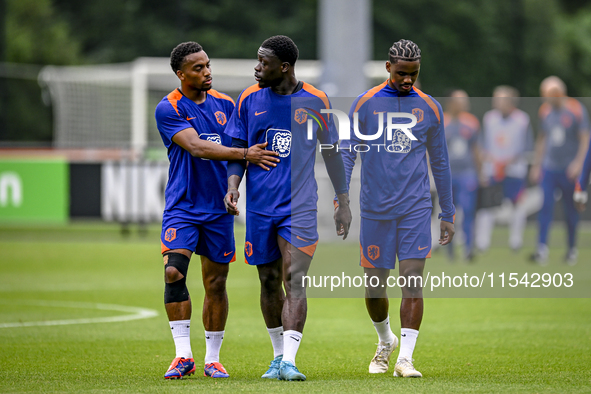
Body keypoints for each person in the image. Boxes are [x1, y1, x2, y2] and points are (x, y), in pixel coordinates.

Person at [223, 35, 352, 381]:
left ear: (284, 67)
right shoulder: (249, 99)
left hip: (299, 207)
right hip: (261, 209)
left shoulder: (315, 100)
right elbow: (238, 148)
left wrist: (343, 200)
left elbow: (332, 153)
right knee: (268, 281)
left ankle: (291, 361)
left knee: (294, 277)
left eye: (263, 63)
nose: (256, 67)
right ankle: (278, 357)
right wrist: (233, 187)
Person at [154, 41, 280, 380]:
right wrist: (245, 156)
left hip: (219, 209)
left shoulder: (227, 104)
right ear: (181, 74)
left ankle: (212, 358)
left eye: (207, 65)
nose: (207, 71)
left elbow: (238, 147)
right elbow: (196, 146)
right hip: (183, 205)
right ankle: (183, 356)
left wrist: (232, 188)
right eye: (198, 68)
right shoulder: (168, 108)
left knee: (216, 282)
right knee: (173, 272)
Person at [341, 39, 455, 378]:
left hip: (415, 209)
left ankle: (405, 358)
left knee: (412, 280)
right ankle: (384, 341)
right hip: (375, 209)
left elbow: (441, 163)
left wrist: (447, 213)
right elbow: (347, 153)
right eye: (402, 74)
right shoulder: (366, 104)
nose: (408, 80)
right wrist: (341, 200)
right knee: (375, 285)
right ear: (388, 67)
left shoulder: (430, 108)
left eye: (414, 74)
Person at [529, 76, 590, 265]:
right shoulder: (545, 111)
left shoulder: (576, 110)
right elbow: (542, 138)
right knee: (545, 207)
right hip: (549, 168)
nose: (544, 98)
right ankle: (541, 249)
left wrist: (579, 164)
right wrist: (537, 164)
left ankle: (571, 249)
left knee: (570, 210)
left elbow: (585, 139)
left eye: (546, 94)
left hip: (569, 170)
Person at [475, 86, 533, 253]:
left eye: (500, 99)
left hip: (515, 171)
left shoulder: (523, 120)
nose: (496, 102)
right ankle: (482, 242)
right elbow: (483, 145)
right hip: (493, 170)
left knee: (517, 205)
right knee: (487, 206)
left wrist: (508, 162)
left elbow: (527, 147)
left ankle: (516, 241)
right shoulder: (489, 118)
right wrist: (493, 161)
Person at [444, 89, 481, 261]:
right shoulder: (441, 122)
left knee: (467, 211)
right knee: (448, 213)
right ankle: (449, 249)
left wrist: (480, 172)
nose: (465, 105)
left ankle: (468, 249)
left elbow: (476, 150)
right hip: (448, 175)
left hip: (467, 173)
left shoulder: (471, 123)